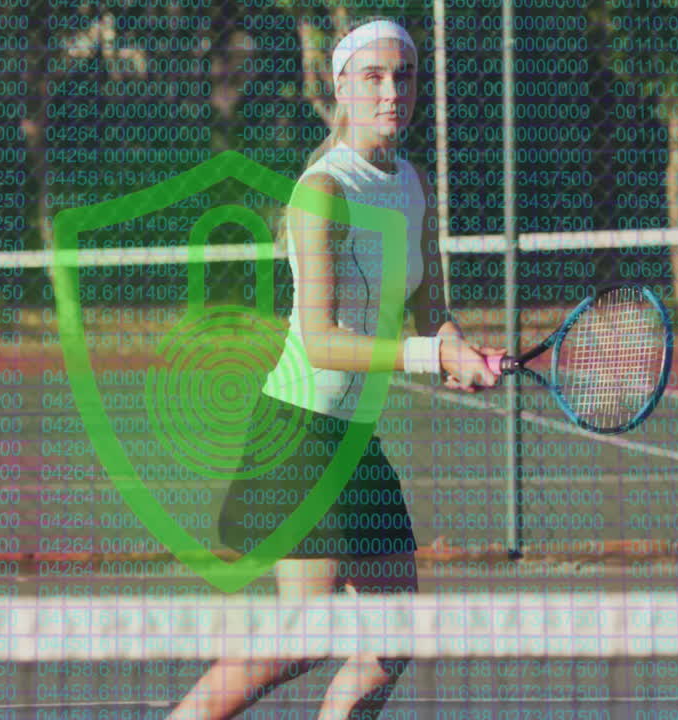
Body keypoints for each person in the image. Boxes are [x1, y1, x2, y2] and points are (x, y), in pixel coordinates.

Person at [167, 16, 502, 720]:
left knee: (393, 633)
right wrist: (428, 355)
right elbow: (320, 339)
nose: (391, 92)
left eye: (403, 76)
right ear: (341, 87)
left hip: (352, 438)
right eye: (373, 77)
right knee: (303, 635)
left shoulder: (414, 185)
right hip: (297, 430)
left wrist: (459, 348)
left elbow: (430, 309)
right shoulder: (322, 190)